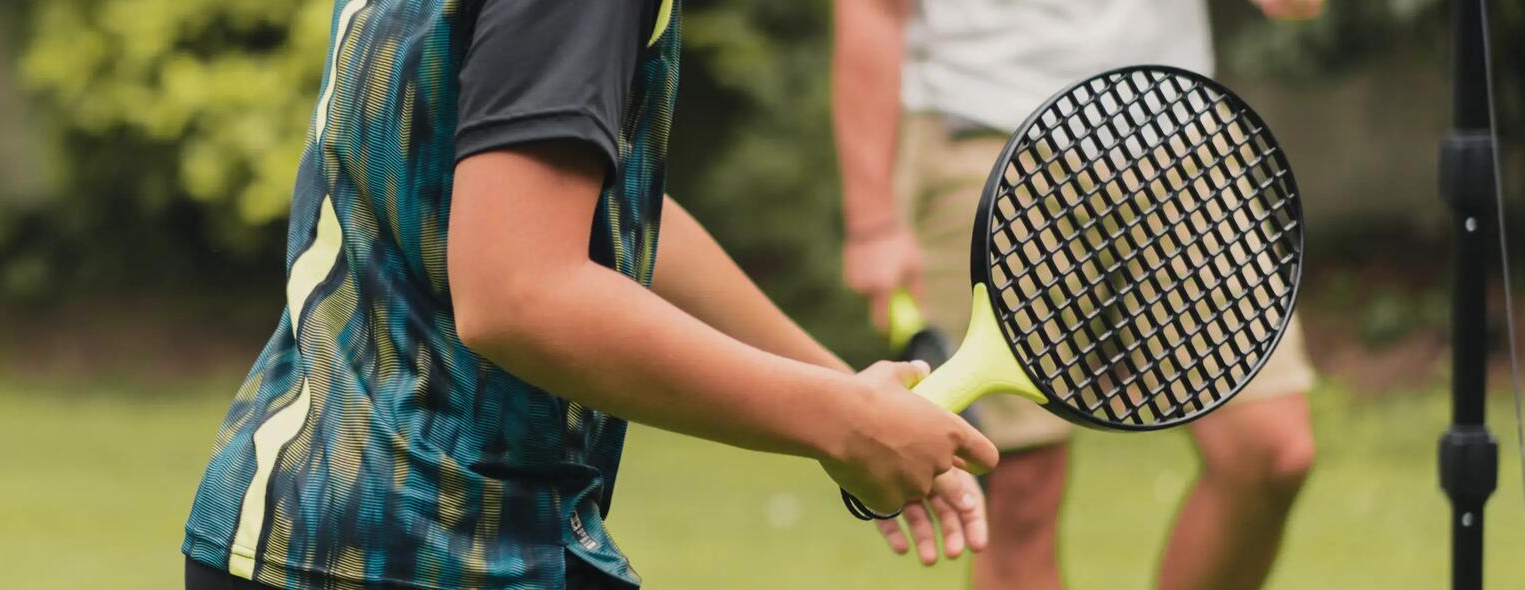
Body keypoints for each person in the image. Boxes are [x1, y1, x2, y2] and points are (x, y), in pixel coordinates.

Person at [180, 1, 997, 588]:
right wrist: (838, 420)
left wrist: (842, 391)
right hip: (439, 550)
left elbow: (579, 205)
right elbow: (519, 291)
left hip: (283, 525)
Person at [832, 0, 1324, 588]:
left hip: (1176, 117)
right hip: (983, 121)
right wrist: (873, 223)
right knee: (1016, 489)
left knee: (1270, 451)